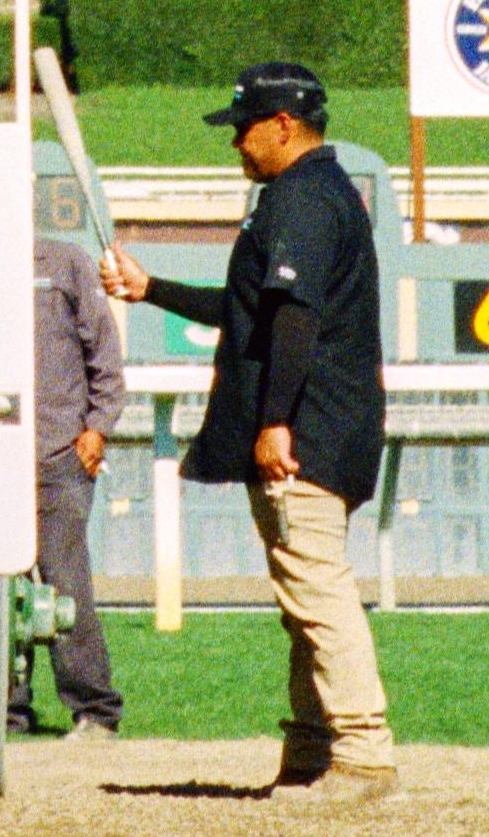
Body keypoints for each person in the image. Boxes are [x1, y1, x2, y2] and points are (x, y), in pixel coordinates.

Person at [102, 60, 392, 797]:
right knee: (305, 601)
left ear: (283, 125)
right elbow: (250, 308)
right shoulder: (315, 192)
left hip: (307, 429)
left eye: (244, 127)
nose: (236, 142)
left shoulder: (302, 198)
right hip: (330, 424)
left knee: (318, 593)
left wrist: (275, 422)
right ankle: (311, 750)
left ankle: (363, 753)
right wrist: (150, 289)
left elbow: (294, 317)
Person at [27, 222, 130, 734]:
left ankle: (95, 709)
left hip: (60, 453)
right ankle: (4, 713)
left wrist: (97, 428)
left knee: (65, 581)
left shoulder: (65, 263)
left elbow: (106, 359)